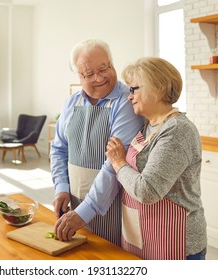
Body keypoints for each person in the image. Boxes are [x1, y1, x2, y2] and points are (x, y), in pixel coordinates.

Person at [105, 57, 207, 260]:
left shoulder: (177, 131)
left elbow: (147, 191)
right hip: (145, 235)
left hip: (179, 243)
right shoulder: (149, 126)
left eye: (134, 89)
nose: (129, 96)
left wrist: (118, 163)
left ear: (158, 88)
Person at [50, 39, 144, 246]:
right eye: (89, 74)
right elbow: (59, 149)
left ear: (112, 64)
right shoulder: (71, 102)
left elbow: (114, 165)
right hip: (74, 202)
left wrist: (85, 212)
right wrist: (62, 188)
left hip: (112, 206)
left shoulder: (127, 102)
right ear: (78, 75)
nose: (99, 78)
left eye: (104, 68)